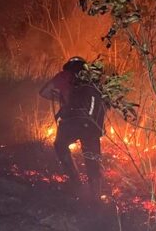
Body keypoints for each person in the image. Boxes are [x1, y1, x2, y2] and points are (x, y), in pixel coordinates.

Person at [39, 57, 106, 196]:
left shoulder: (63, 75)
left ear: (68, 66)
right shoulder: (92, 78)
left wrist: (63, 99)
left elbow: (44, 92)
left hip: (70, 122)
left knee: (60, 145)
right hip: (91, 124)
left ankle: (76, 182)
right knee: (92, 159)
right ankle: (96, 196)